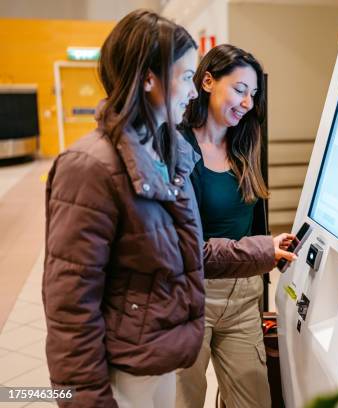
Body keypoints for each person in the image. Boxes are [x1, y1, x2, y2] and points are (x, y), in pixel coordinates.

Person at [42, 10, 295, 408]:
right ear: (149, 79)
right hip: (125, 370)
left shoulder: (164, 158)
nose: (193, 91)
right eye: (184, 77)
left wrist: (262, 249)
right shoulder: (88, 166)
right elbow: (71, 309)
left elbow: (190, 252)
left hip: (156, 355)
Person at [174, 44, 273, 408]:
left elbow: (256, 218)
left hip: (243, 295)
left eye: (253, 94)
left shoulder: (247, 143)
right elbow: (182, 244)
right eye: (240, 90)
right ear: (207, 81)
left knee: (254, 400)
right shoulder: (178, 148)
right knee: (183, 401)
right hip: (190, 296)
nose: (247, 103)